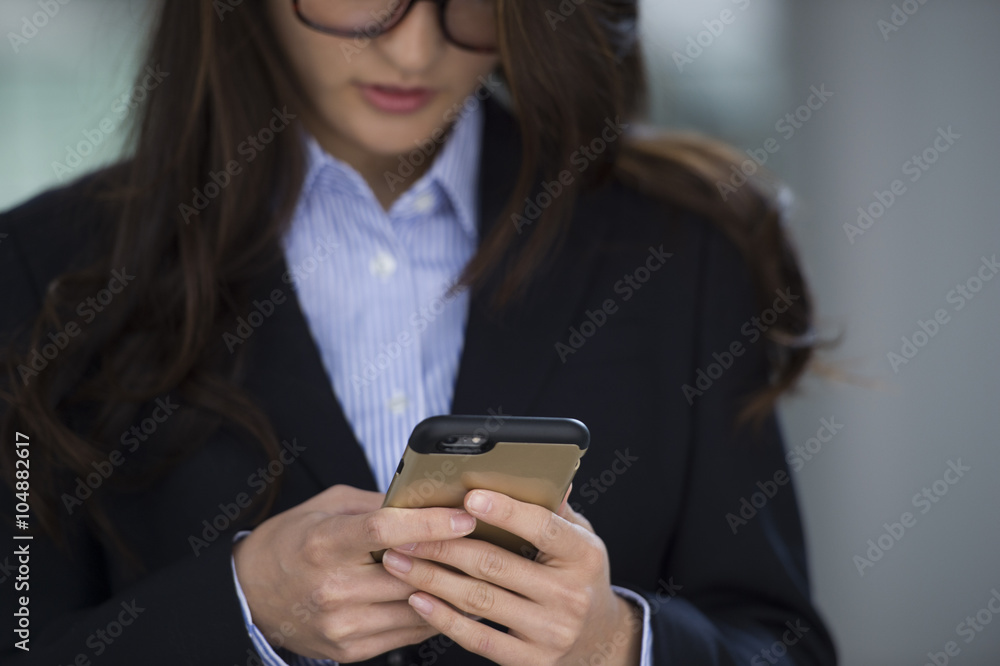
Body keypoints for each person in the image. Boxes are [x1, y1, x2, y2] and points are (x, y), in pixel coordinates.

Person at [0, 1, 837, 664]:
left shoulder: (683, 253)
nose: (414, 52)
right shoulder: (39, 268)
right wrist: (238, 611)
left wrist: (616, 646)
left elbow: (781, 646)